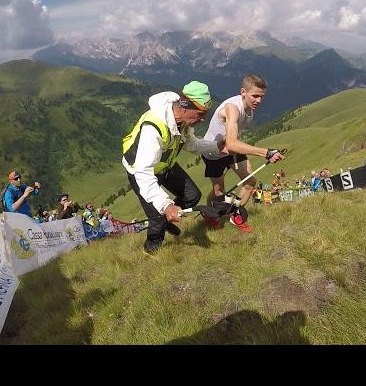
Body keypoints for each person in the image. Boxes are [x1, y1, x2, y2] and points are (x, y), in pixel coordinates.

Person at [122, 80, 227, 255]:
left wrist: (217, 147)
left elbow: (192, 144)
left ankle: (166, 220)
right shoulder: (153, 127)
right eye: (200, 114)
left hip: (165, 165)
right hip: (141, 171)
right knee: (156, 216)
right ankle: (151, 251)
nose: (202, 120)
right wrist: (166, 206)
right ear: (185, 106)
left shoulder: (182, 122)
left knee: (192, 196)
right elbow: (143, 173)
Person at [200, 74, 284, 232]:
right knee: (219, 192)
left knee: (250, 182)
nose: (258, 101)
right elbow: (231, 144)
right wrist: (265, 152)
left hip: (232, 151)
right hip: (214, 153)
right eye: (255, 96)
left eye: (261, 97)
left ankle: (235, 215)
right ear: (243, 92)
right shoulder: (232, 108)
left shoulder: (249, 108)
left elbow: (233, 140)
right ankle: (209, 214)